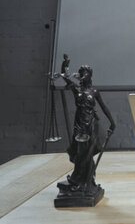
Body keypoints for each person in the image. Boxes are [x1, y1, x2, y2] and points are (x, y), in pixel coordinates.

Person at [56, 54, 116, 192]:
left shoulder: (94, 91)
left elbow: (104, 107)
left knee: (86, 153)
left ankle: (81, 181)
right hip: (79, 124)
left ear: (90, 75)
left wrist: (112, 122)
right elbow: (65, 76)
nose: (82, 76)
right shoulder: (76, 89)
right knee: (78, 152)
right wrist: (65, 64)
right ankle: (82, 180)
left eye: (85, 73)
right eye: (81, 73)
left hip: (90, 125)